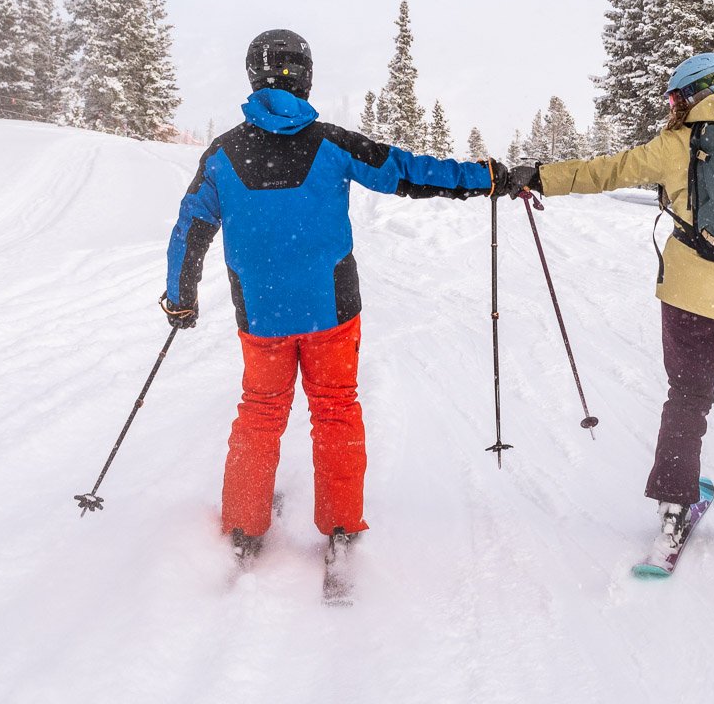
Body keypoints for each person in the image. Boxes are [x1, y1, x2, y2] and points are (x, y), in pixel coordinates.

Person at [161, 29, 505, 566]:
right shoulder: (331, 143)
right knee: (336, 408)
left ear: (254, 75)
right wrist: (485, 178)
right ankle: (342, 522)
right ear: (306, 76)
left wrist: (179, 297)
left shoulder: (223, 153)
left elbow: (192, 226)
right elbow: (408, 172)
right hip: (332, 309)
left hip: (261, 312)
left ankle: (244, 519)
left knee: (261, 411)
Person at [501, 52, 714, 568]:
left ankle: (675, 507)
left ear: (691, 95)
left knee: (686, 398)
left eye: (676, 98)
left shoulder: (676, 144)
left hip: (690, 299)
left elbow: (604, 171)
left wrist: (539, 177)